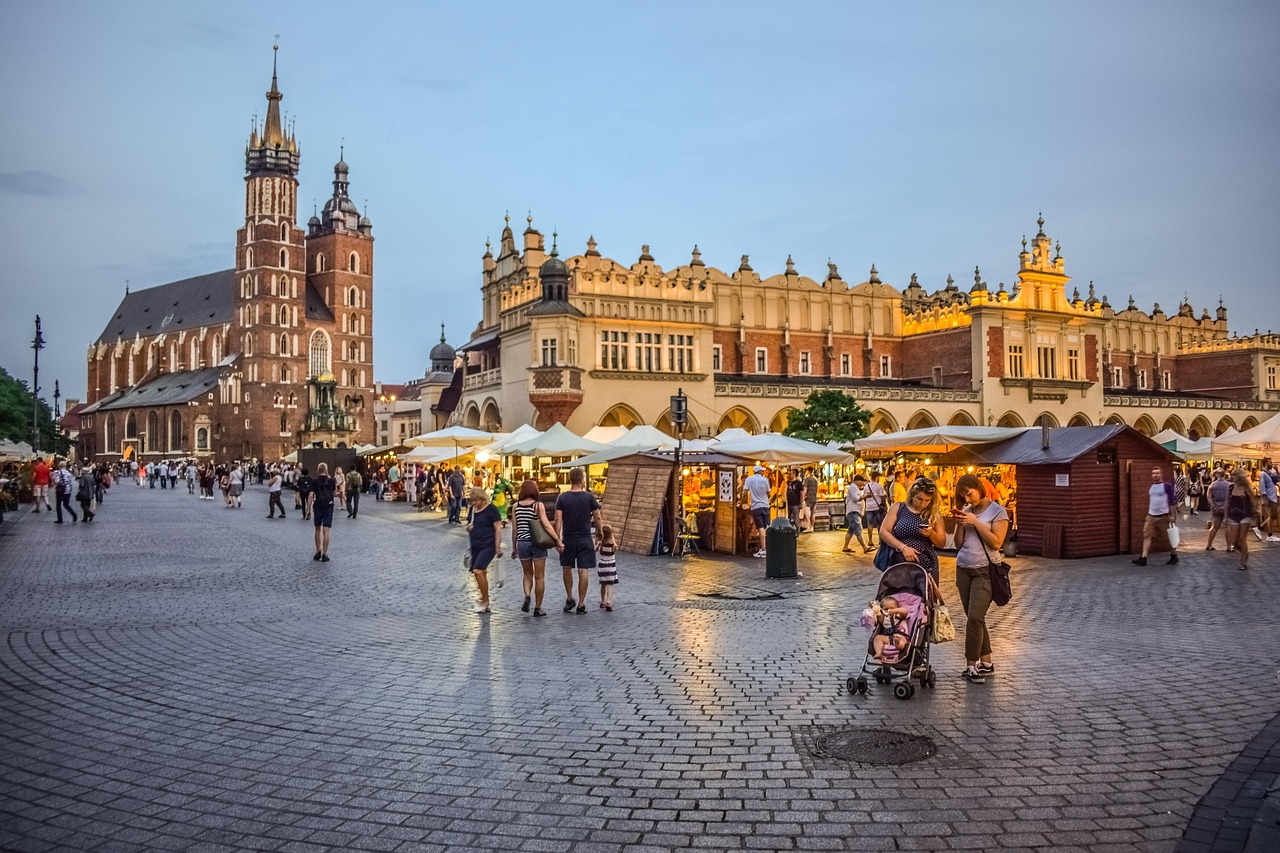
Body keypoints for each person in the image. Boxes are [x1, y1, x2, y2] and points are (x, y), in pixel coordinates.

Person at [951, 473, 1010, 684]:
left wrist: (976, 522)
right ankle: (987, 662)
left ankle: (971, 665)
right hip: (963, 568)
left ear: (979, 487)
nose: (967, 499)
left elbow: (996, 542)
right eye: (963, 496)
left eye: (969, 493)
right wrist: (959, 522)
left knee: (975, 618)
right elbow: (957, 544)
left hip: (985, 570)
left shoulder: (997, 511)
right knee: (975, 618)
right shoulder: (967, 510)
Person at [878, 476, 947, 584]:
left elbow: (942, 543)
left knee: (924, 598)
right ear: (912, 495)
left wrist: (931, 534)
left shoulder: (934, 513)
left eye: (927, 500)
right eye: (919, 499)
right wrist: (903, 547)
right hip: (899, 564)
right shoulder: (899, 507)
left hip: (926, 566)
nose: (923, 504)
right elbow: (884, 531)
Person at [511, 478, 562, 617]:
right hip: (537, 542)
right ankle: (538, 608)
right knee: (540, 577)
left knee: (527, 574)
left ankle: (527, 596)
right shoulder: (538, 505)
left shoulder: (516, 506)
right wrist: (557, 540)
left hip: (522, 542)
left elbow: (514, 530)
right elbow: (546, 525)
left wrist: (514, 548)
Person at [554, 468, 602, 615]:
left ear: (570, 480)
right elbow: (598, 517)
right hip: (585, 538)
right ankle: (581, 603)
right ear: (582, 480)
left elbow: (558, 519)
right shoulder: (589, 497)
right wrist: (599, 532)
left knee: (566, 567)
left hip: (568, 538)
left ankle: (569, 598)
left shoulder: (562, 498)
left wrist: (557, 539)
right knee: (583, 570)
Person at [467, 487, 503, 613]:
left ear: (482, 499)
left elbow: (498, 528)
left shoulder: (491, 509)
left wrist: (497, 546)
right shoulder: (472, 510)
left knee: (478, 570)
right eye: (472, 501)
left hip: (488, 545)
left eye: (475, 500)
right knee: (480, 572)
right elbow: (470, 524)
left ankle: (485, 600)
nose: (473, 503)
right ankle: (484, 599)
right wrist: (469, 527)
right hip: (475, 545)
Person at [1133, 466, 1177, 566]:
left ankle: (1174, 555)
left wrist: (1173, 516)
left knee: (1170, 537)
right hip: (1151, 516)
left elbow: (1171, 502)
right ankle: (1143, 558)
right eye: (1153, 473)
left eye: (1157, 473)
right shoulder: (1152, 487)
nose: (1155, 475)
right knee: (1147, 535)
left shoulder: (1166, 486)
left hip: (1163, 516)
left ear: (1161, 474)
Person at [1225, 468, 1257, 571]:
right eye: (1232, 475)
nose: (1232, 477)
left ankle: (1243, 562)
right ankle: (1244, 552)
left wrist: (1254, 518)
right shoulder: (1230, 487)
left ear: (1239, 477)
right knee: (1234, 541)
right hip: (1233, 515)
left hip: (1245, 514)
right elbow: (1227, 503)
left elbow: (1253, 503)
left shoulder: (1247, 488)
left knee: (1242, 538)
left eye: (1234, 475)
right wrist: (1226, 518)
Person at [309, 463, 337, 562]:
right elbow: (334, 493)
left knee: (317, 529)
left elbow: (311, 495)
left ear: (318, 470)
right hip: (328, 506)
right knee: (326, 531)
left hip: (318, 506)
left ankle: (318, 551)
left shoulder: (314, 481)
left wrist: (308, 510)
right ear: (326, 470)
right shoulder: (331, 480)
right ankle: (325, 554)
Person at [743, 465, 772, 558]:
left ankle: (764, 549)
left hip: (756, 506)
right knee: (766, 526)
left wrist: (742, 502)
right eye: (762, 471)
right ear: (758, 471)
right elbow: (769, 493)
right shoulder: (765, 480)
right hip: (765, 505)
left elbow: (744, 492)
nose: (763, 472)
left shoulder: (749, 479)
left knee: (760, 528)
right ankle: (767, 547)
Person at [871, 596, 911, 662]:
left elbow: (905, 612)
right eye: (886, 609)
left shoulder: (899, 615)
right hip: (887, 638)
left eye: (892, 608)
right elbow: (877, 613)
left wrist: (895, 611)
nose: (889, 610)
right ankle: (879, 652)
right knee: (877, 638)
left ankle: (898, 644)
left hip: (900, 636)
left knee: (903, 642)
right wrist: (875, 612)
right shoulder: (883, 618)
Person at [842, 474, 871, 554]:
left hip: (855, 511)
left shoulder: (855, 488)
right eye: (862, 482)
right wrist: (864, 496)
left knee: (850, 530)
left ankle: (845, 546)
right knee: (858, 529)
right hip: (853, 511)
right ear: (858, 481)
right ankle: (865, 547)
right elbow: (856, 498)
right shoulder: (853, 487)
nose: (862, 484)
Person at [1205, 468, 1231, 551]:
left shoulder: (1212, 485)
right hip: (1226, 508)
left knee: (1214, 527)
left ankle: (1209, 545)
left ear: (1217, 475)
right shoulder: (1229, 485)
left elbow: (1208, 497)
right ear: (1224, 475)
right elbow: (1230, 498)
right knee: (1227, 527)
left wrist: (1213, 506)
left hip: (1215, 507)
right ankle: (1229, 547)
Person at [597, 524, 619, 611]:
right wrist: (613, 539)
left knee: (603, 585)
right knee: (610, 585)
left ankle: (603, 601)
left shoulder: (601, 544)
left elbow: (595, 549)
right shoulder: (613, 545)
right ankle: (608, 601)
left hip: (602, 566)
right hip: (611, 566)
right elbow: (615, 548)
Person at [862, 474, 887, 547]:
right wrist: (884, 505)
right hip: (878, 507)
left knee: (870, 524)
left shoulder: (866, 486)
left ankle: (870, 541)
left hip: (869, 507)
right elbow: (882, 497)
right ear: (876, 477)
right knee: (880, 524)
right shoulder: (879, 486)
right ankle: (880, 540)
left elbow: (865, 497)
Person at [1259, 464, 1279, 542]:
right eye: (1269, 462)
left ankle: (1260, 527)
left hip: (1273, 496)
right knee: (1272, 515)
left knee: (1273, 515)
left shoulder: (1269, 473)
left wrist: (1277, 470)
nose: (1271, 464)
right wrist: (1265, 498)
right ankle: (1269, 535)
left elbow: (1278, 479)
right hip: (1269, 497)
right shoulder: (1263, 474)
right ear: (1264, 464)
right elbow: (1262, 486)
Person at [802, 467, 820, 533]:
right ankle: (812, 527)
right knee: (813, 513)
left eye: (806, 471)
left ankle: (809, 526)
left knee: (807, 511)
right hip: (814, 497)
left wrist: (803, 497)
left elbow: (805, 489)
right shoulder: (816, 479)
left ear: (808, 471)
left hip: (808, 498)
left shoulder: (807, 479)